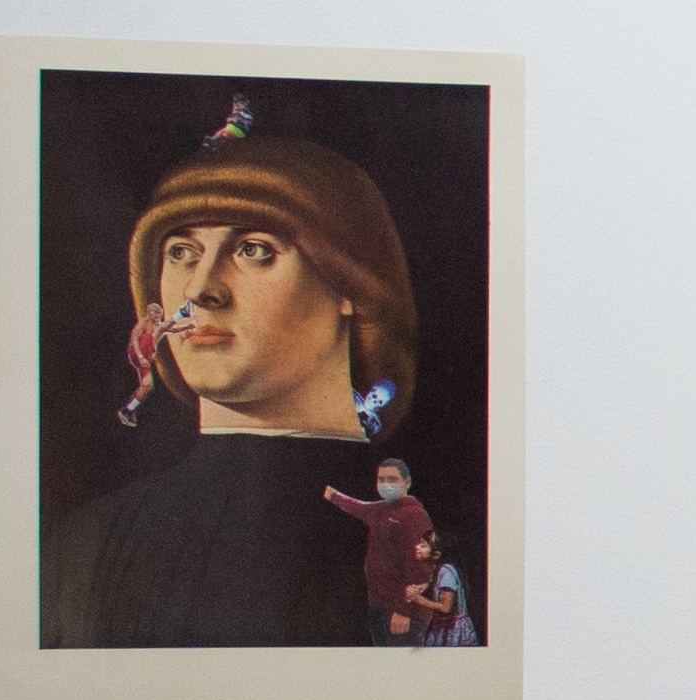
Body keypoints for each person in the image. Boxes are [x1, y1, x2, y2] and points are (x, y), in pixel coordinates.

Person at [41, 118, 422, 649]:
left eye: (254, 249)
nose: (200, 289)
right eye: (180, 252)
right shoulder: (86, 545)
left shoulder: (420, 537)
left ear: (349, 283)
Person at [322, 458, 436, 644]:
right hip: (379, 604)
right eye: (381, 480)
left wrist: (403, 611)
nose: (385, 484)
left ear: (406, 482)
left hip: (401, 611)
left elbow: (420, 566)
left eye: (392, 479)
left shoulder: (414, 515)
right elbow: (358, 507)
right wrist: (332, 495)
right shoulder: (382, 509)